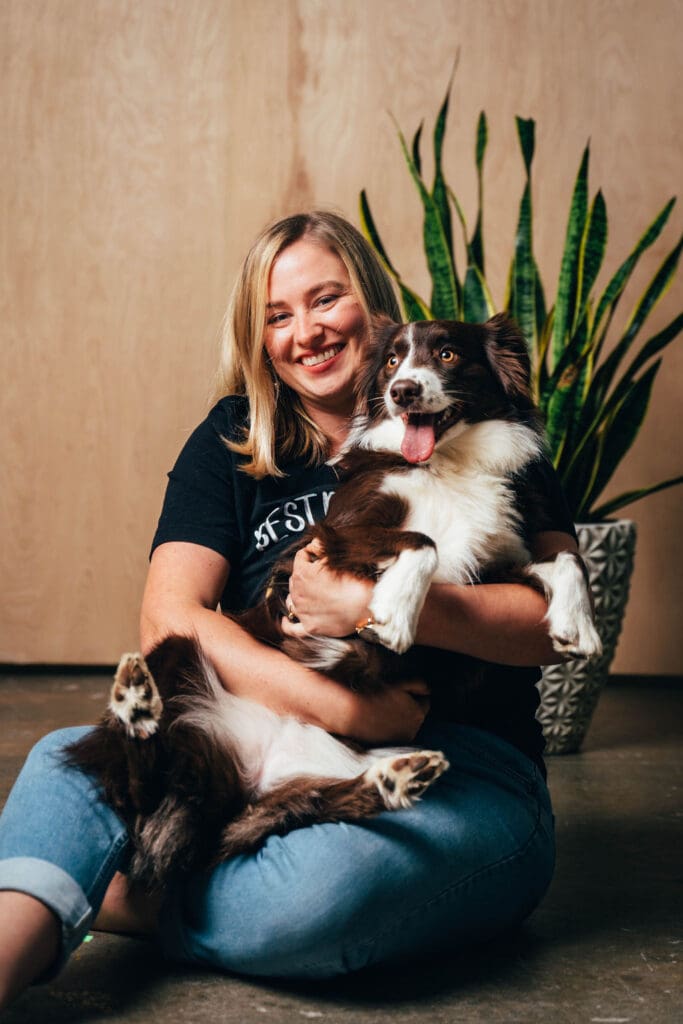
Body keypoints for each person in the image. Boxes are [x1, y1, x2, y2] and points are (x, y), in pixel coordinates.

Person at [0, 210, 577, 1006]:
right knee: (64, 765)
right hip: (257, 732)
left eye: (324, 299)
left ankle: (101, 892)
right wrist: (350, 709)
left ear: (375, 315)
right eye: (277, 315)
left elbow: (558, 628)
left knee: (319, 895)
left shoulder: (487, 433)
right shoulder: (232, 438)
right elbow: (171, 620)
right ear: (257, 336)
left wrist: (373, 606)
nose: (304, 331)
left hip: (456, 767)